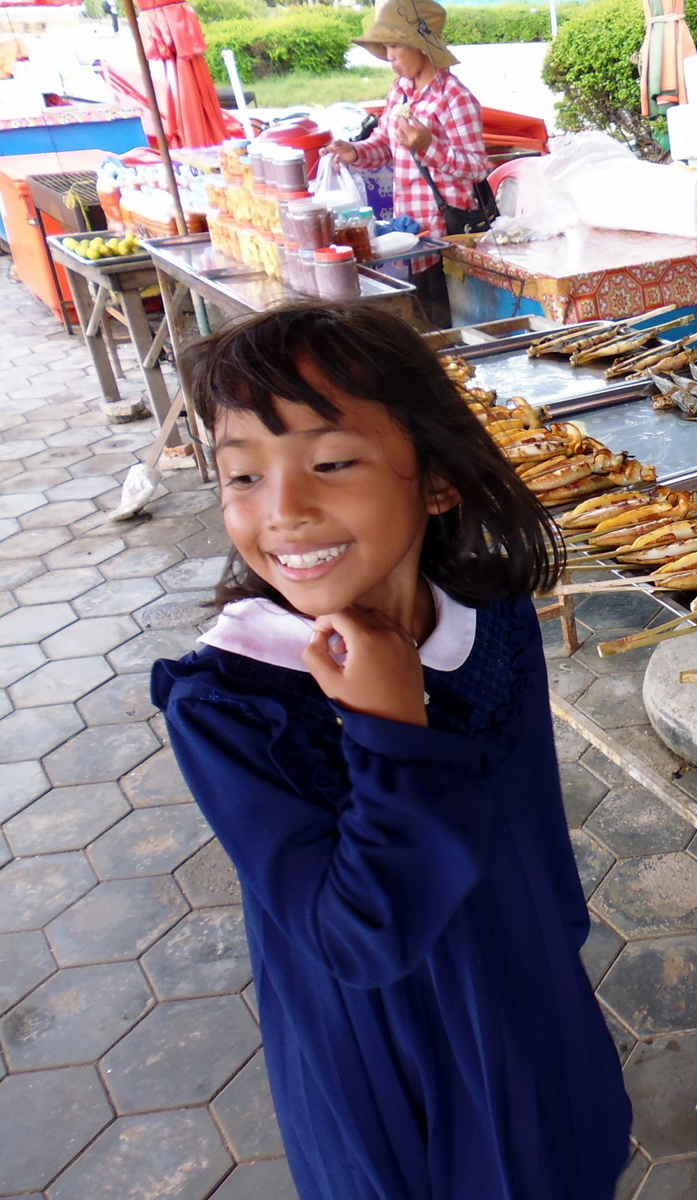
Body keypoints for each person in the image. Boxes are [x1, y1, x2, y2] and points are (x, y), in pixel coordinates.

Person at [152, 305, 632, 1200]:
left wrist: (554, 949)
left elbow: (531, 816)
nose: (283, 511)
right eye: (243, 475)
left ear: (438, 479)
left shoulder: (490, 617)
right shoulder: (230, 705)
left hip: (523, 986)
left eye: (331, 463)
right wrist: (389, 729)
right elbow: (358, 939)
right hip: (384, 1057)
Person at [328, 0, 487, 325]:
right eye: (386, 47)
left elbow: (477, 167)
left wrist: (429, 146)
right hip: (409, 234)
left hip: (445, 238)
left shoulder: (454, 97)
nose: (390, 57)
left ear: (422, 47)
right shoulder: (400, 91)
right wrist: (354, 152)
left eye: (396, 45)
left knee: (446, 325)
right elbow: (386, 144)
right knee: (420, 321)